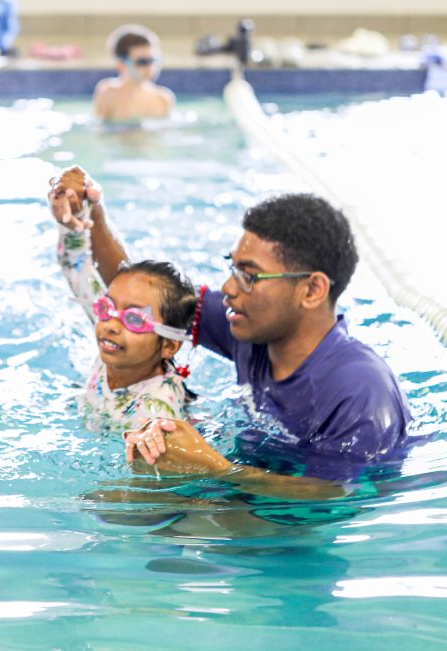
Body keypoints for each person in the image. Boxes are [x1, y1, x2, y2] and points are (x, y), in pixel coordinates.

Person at [48, 167, 412, 492]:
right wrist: (91, 212)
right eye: (233, 268)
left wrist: (217, 468)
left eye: (249, 276)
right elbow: (143, 298)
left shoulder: (360, 392)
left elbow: (336, 496)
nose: (229, 287)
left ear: (312, 290)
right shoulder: (252, 329)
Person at [55, 166, 199, 432]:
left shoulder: (155, 413)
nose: (110, 324)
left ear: (169, 346)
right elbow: (75, 267)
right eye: (106, 307)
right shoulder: (115, 333)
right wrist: (75, 217)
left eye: (134, 318)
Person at [92, 24, 175, 122]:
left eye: (153, 60)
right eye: (142, 62)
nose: (150, 67)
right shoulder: (108, 93)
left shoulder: (162, 99)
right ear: (121, 64)